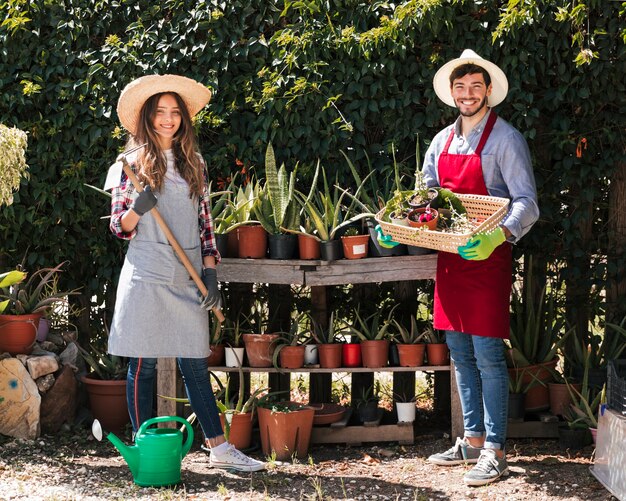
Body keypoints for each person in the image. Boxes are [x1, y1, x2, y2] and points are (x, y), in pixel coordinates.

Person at [107, 74, 265, 472]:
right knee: (142, 364)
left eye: (175, 112)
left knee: (195, 359)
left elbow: (206, 229)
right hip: (147, 272)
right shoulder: (131, 164)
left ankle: (219, 449)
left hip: (188, 274)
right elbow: (118, 227)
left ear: (183, 119)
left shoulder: (195, 164)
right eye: (160, 112)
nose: (168, 119)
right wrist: (137, 209)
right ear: (147, 117)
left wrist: (210, 275)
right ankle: (144, 448)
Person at [421, 50, 539, 486]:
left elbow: (527, 202)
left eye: (475, 86)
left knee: (488, 356)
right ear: (452, 94)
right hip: (450, 259)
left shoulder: (507, 139)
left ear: (489, 91)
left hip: (488, 258)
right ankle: (470, 440)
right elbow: (426, 198)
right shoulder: (441, 142)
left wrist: (498, 236)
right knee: (459, 353)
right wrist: (404, 223)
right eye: (460, 87)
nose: (468, 94)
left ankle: (495, 450)